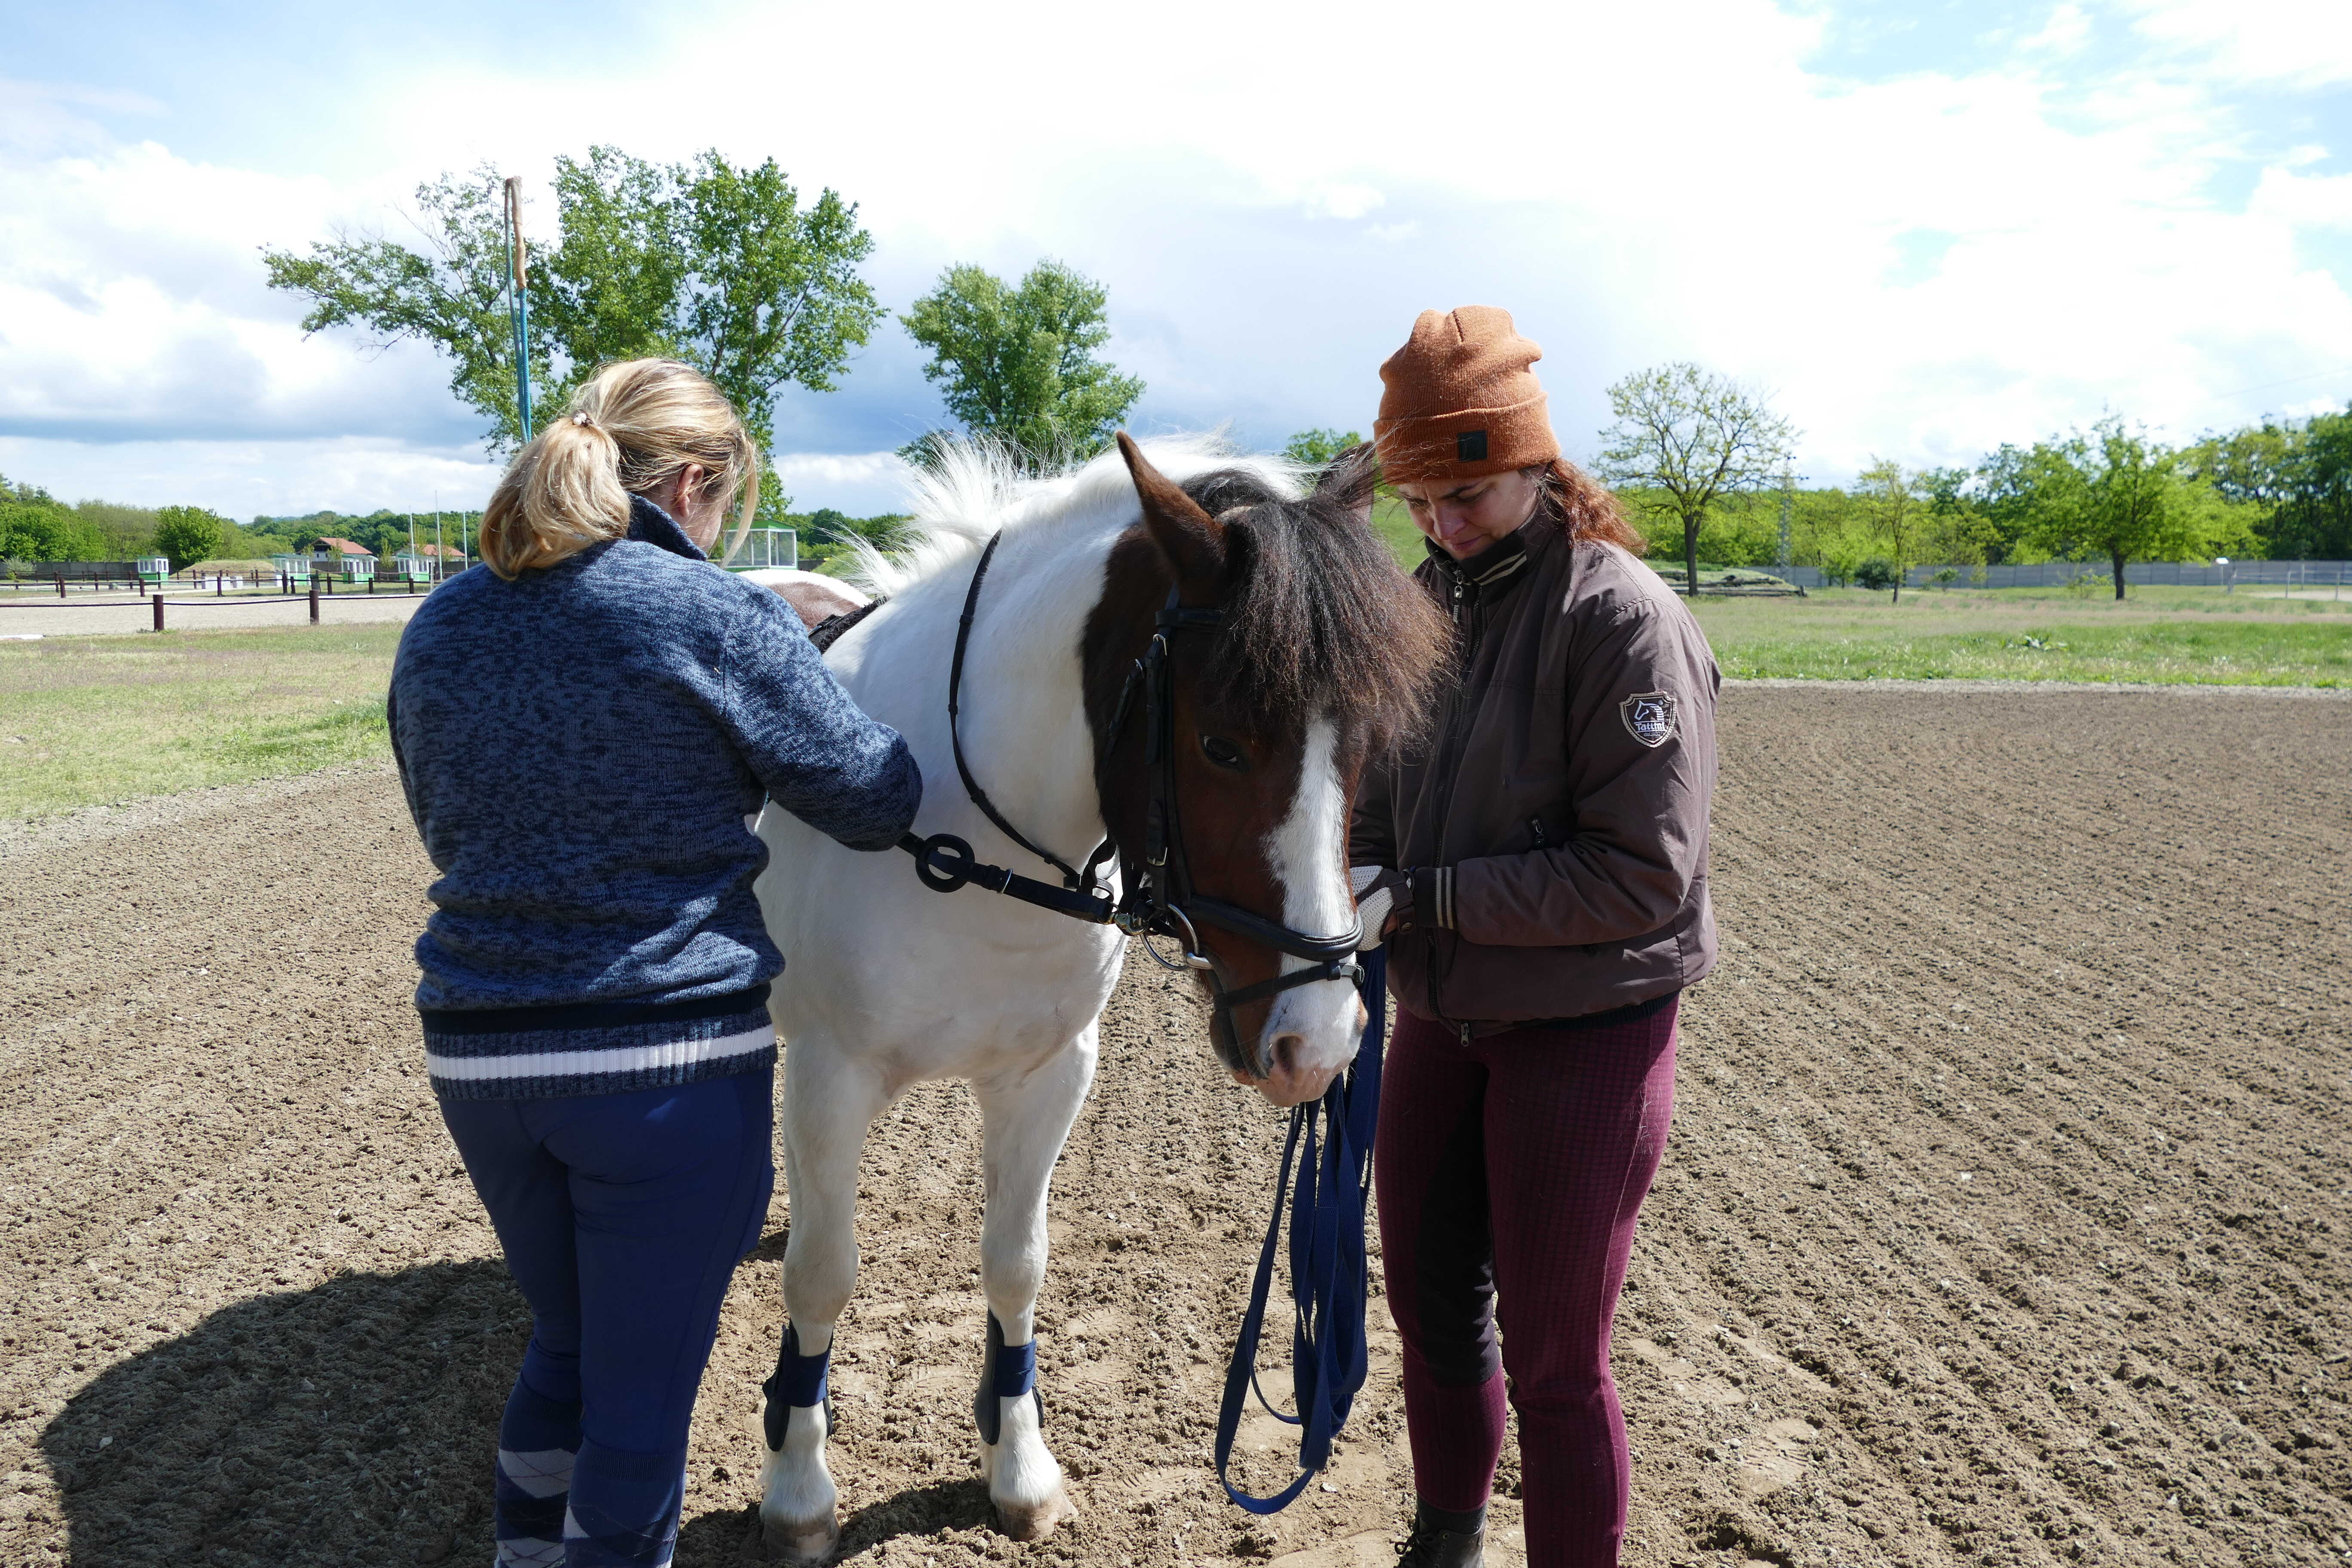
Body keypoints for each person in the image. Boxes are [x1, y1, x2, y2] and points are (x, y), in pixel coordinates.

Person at [386, 358, 921, 1568]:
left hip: (478, 1061)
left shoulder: (442, 622)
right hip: (663, 1074)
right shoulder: (715, 613)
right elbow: (874, 798)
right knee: (639, 1414)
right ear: (691, 483)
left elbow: (441, 816)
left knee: (567, 1348)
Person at [1348, 309, 1720, 1568]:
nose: (1443, 524)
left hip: (1586, 1032)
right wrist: (1354, 869)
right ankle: (1446, 1542)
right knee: (1430, 1311)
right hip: (1442, 1020)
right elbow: (1382, 795)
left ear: (1535, 464)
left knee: (1559, 1360)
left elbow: (1643, 873)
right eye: (1419, 501)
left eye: (1467, 494)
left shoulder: (1621, 620)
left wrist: (1425, 898)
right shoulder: (1427, 602)